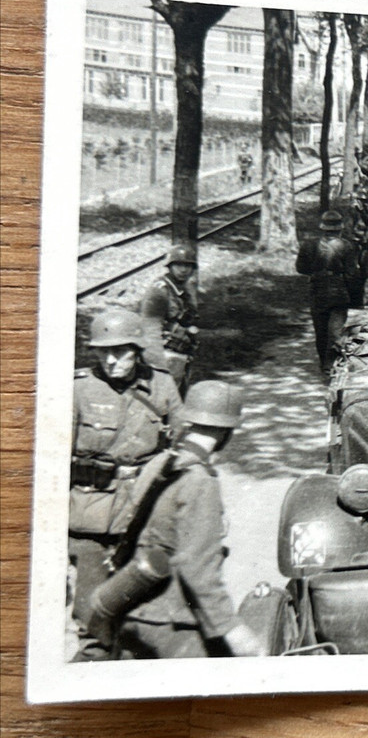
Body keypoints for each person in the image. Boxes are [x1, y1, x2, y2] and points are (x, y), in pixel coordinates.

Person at [107, 381, 267, 658]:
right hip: (173, 624)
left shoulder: (160, 463)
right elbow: (197, 568)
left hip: (134, 610)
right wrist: (232, 629)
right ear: (225, 429)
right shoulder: (200, 481)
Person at [69, 309, 183, 660]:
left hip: (144, 511)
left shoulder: (162, 385)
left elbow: (181, 445)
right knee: (93, 613)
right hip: (92, 516)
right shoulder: (79, 389)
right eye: (103, 351)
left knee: (142, 606)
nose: (111, 359)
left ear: (137, 349)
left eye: (120, 350)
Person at [296, 210, 361, 372]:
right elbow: (352, 273)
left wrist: (316, 272)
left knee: (320, 329)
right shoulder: (347, 246)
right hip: (339, 291)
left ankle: (323, 362)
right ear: (340, 228)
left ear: (323, 228)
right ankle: (330, 363)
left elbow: (301, 268)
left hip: (317, 290)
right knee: (335, 330)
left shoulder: (309, 245)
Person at [140, 243, 200, 394]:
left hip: (181, 355)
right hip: (163, 356)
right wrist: (158, 364)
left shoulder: (186, 289)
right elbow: (150, 329)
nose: (183, 270)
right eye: (179, 265)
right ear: (170, 266)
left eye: (188, 266)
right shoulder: (159, 290)